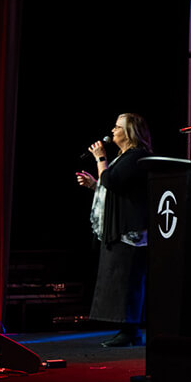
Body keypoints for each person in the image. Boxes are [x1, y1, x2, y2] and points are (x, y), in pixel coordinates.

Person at [75, 113, 153, 347]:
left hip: (130, 230)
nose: (113, 131)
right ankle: (126, 329)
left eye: (118, 127)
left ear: (130, 133)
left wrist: (100, 158)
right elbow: (114, 188)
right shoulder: (124, 157)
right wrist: (94, 185)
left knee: (127, 279)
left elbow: (112, 181)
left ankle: (130, 331)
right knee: (119, 279)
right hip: (119, 227)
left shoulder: (137, 156)